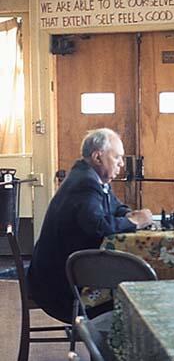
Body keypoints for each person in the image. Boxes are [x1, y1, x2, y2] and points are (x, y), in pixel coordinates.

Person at [27, 128, 152, 323]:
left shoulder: (93, 178)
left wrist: (128, 214)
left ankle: (113, 347)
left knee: (132, 284)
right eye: (117, 157)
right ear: (97, 157)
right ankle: (111, 349)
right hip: (61, 287)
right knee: (135, 293)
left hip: (65, 276)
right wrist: (134, 221)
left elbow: (115, 207)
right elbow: (98, 226)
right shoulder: (85, 183)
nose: (121, 163)